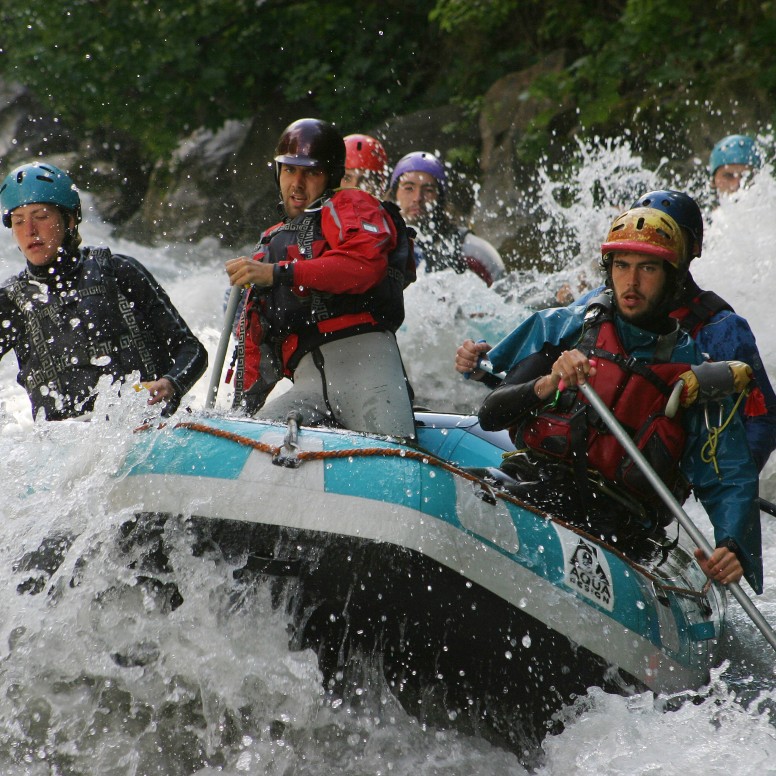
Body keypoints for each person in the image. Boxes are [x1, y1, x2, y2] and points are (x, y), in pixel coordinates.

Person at [470, 206, 762, 593]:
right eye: (622, 265)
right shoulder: (568, 329)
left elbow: (727, 478)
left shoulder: (693, 378)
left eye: (648, 268)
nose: (632, 282)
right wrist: (549, 382)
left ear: (672, 279)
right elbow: (490, 415)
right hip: (536, 483)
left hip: (620, 525)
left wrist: (731, 545)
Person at [457, 189, 776, 472]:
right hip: (571, 459)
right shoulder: (601, 304)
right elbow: (522, 374)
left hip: (645, 479)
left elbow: (763, 421)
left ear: (692, 247)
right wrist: (482, 367)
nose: (651, 242)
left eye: (665, 235)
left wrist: (724, 477)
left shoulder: (722, 329)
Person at [224, 118, 416, 438]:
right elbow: (255, 340)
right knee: (242, 441)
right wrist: (240, 411)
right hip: (306, 386)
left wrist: (280, 273)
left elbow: (363, 265)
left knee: (399, 462)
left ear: (331, 177)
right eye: (289, 170)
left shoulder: (350, 204)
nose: (297, 184)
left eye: (311, 172)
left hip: (369, 372)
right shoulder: (270, 244)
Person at [0, 161, 207, 421]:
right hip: (71, 452)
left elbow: (191, 349)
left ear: (70, 219)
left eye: (41, 216)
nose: (30, 231)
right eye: (19, 221)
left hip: (153, 430)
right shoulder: (10, 302)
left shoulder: (119, 271)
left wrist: (170, 383)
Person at [387, 151, 505, 286]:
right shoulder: (376, 243)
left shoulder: (472, 251)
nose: (417, 198)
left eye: (429, 190)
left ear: (440, 198)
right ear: (394, 194)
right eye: (409, 188)